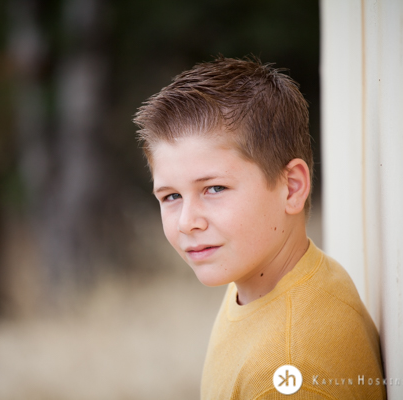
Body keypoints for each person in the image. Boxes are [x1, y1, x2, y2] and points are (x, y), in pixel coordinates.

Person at [133, 57, 386, 399]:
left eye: (215, 188)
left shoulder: (289, 372)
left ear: (292, 188)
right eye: (172, 196)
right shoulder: (264, 280)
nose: (187, 222)